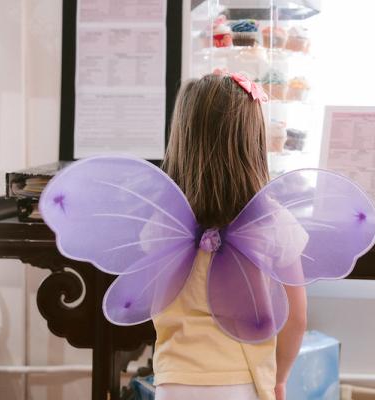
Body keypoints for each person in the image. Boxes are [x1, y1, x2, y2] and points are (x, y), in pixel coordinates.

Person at [155, 73, 308, 400]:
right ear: (253, 144)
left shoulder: (162, 222)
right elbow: (296, 318)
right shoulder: (273, 222)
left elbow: (157, 299)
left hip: (174, 381)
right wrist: (279, 378)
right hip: (243, 383)